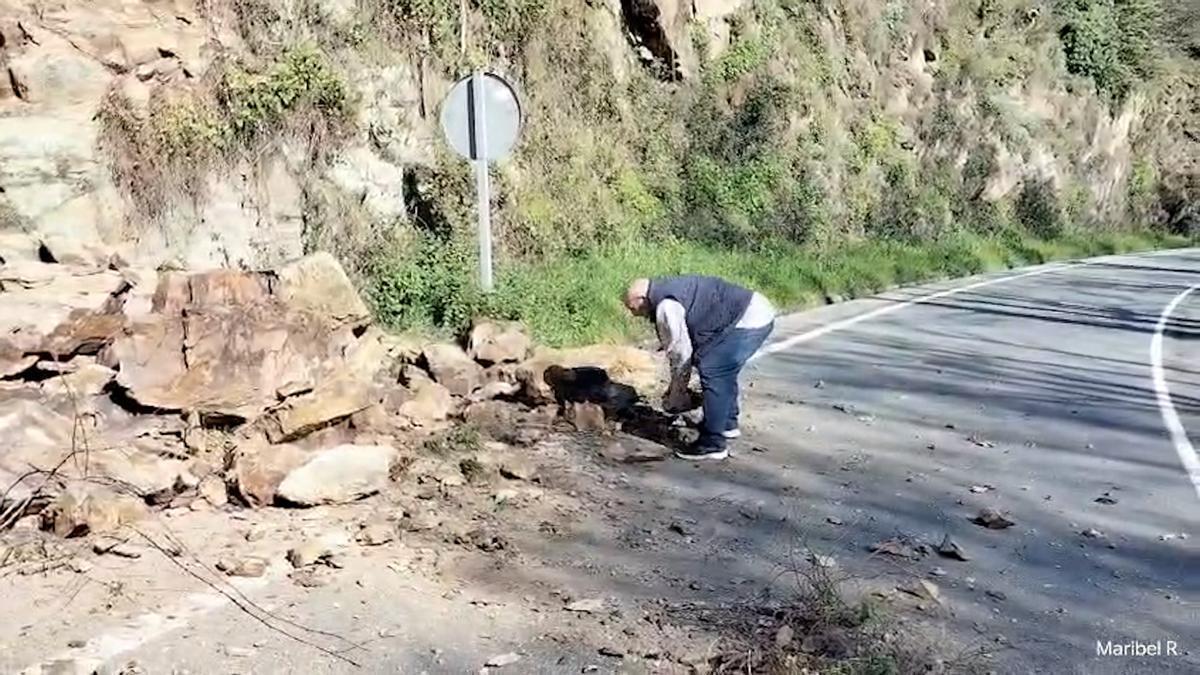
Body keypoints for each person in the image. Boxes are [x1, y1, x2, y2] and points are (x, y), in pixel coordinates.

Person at [624, 275, 775, 460]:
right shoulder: (669, 289)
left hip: (749, 317)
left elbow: (681, 355)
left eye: (632, 308)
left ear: (642, 298)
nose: (634, 314)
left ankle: (713, 444)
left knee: (714, 370)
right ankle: (727, 423)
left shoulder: (666, 306)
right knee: (723, 369)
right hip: (753, 310)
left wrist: (676, 395)